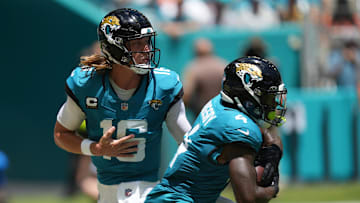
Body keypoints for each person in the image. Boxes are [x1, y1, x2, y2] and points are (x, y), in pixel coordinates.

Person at [53, 8, 192, 203]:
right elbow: (61, 134)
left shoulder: (164, 84)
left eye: (146, 42)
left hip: (148, 190)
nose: (146, 50)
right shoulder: (86, 83)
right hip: (108, 193)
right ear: (115, 47)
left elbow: (188, 142)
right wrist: (96, 148)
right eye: (137, 43)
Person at [145, 56, 286, 203]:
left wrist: (273, 152)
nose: (274, 104)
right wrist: (273, 188)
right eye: (267, 96)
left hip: (182, 196)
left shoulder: (222, 105)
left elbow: (267, 134)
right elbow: (248, 199)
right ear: (249, 94)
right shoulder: (237, 129)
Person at [182, 38, 227, 117]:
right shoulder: (223, 65)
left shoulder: (194, 67)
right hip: (224, 113)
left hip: (203, 116)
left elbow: (186, 94)